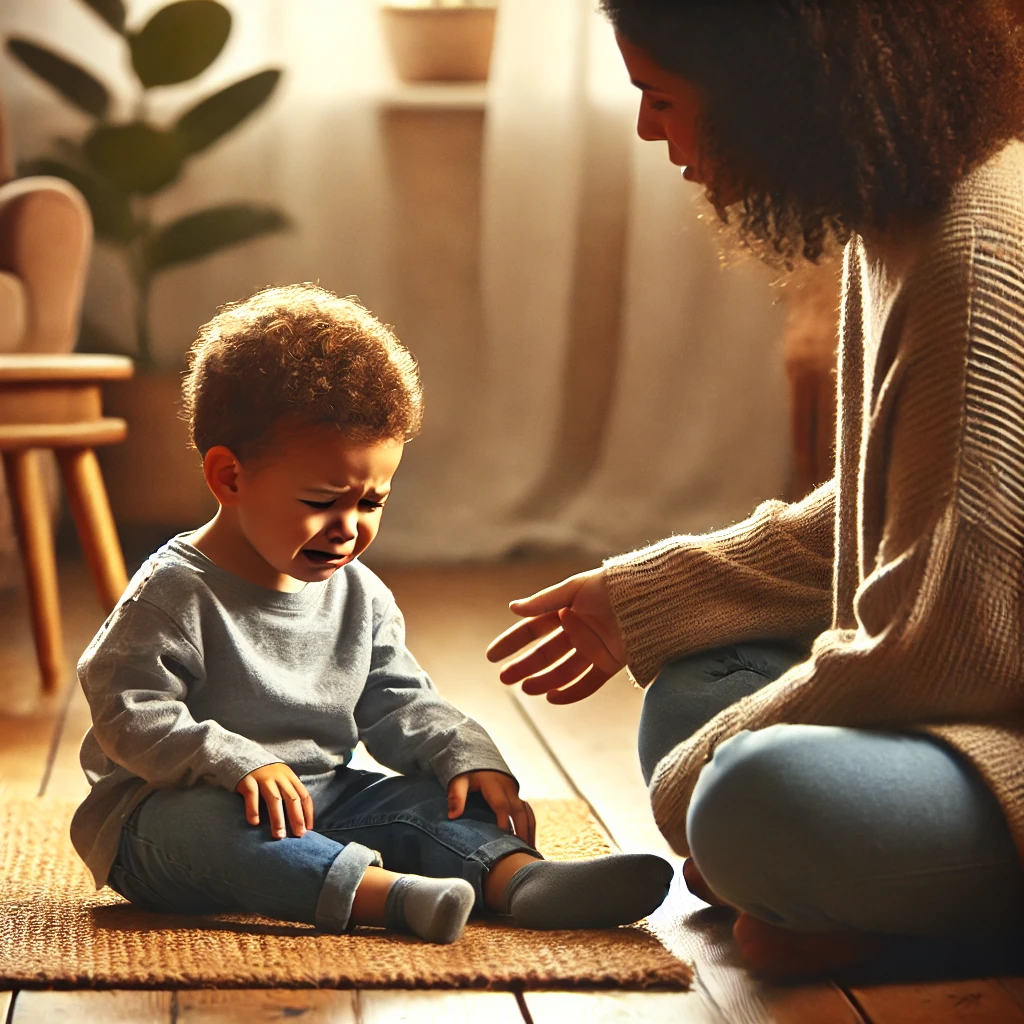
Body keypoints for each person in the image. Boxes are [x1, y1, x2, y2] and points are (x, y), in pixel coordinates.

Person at [487, 0, 1024, 977]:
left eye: (660, 97)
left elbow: (941, 650)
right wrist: (646, 597)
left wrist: (695, 794)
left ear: (775, 95)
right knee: (692, 686)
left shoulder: (970, 257)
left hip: (990, 711)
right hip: (971, 690)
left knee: (750, 797)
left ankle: (954, 927)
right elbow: (890, 514)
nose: (647, 127)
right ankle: (843, 898)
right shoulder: (892, 220)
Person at [69, 283, 673, 945]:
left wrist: (465, 757)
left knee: (426, 801)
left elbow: (398, 700)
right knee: (200, 829)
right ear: (230, 478)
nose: (348, 528)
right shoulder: (173, 593)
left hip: (324, 802)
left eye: (371, 503)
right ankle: (384, 897)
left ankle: (517, 880)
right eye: (323, 500)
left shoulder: (358, 594)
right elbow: (129, 711)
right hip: (172, 811)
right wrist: (235, 761)